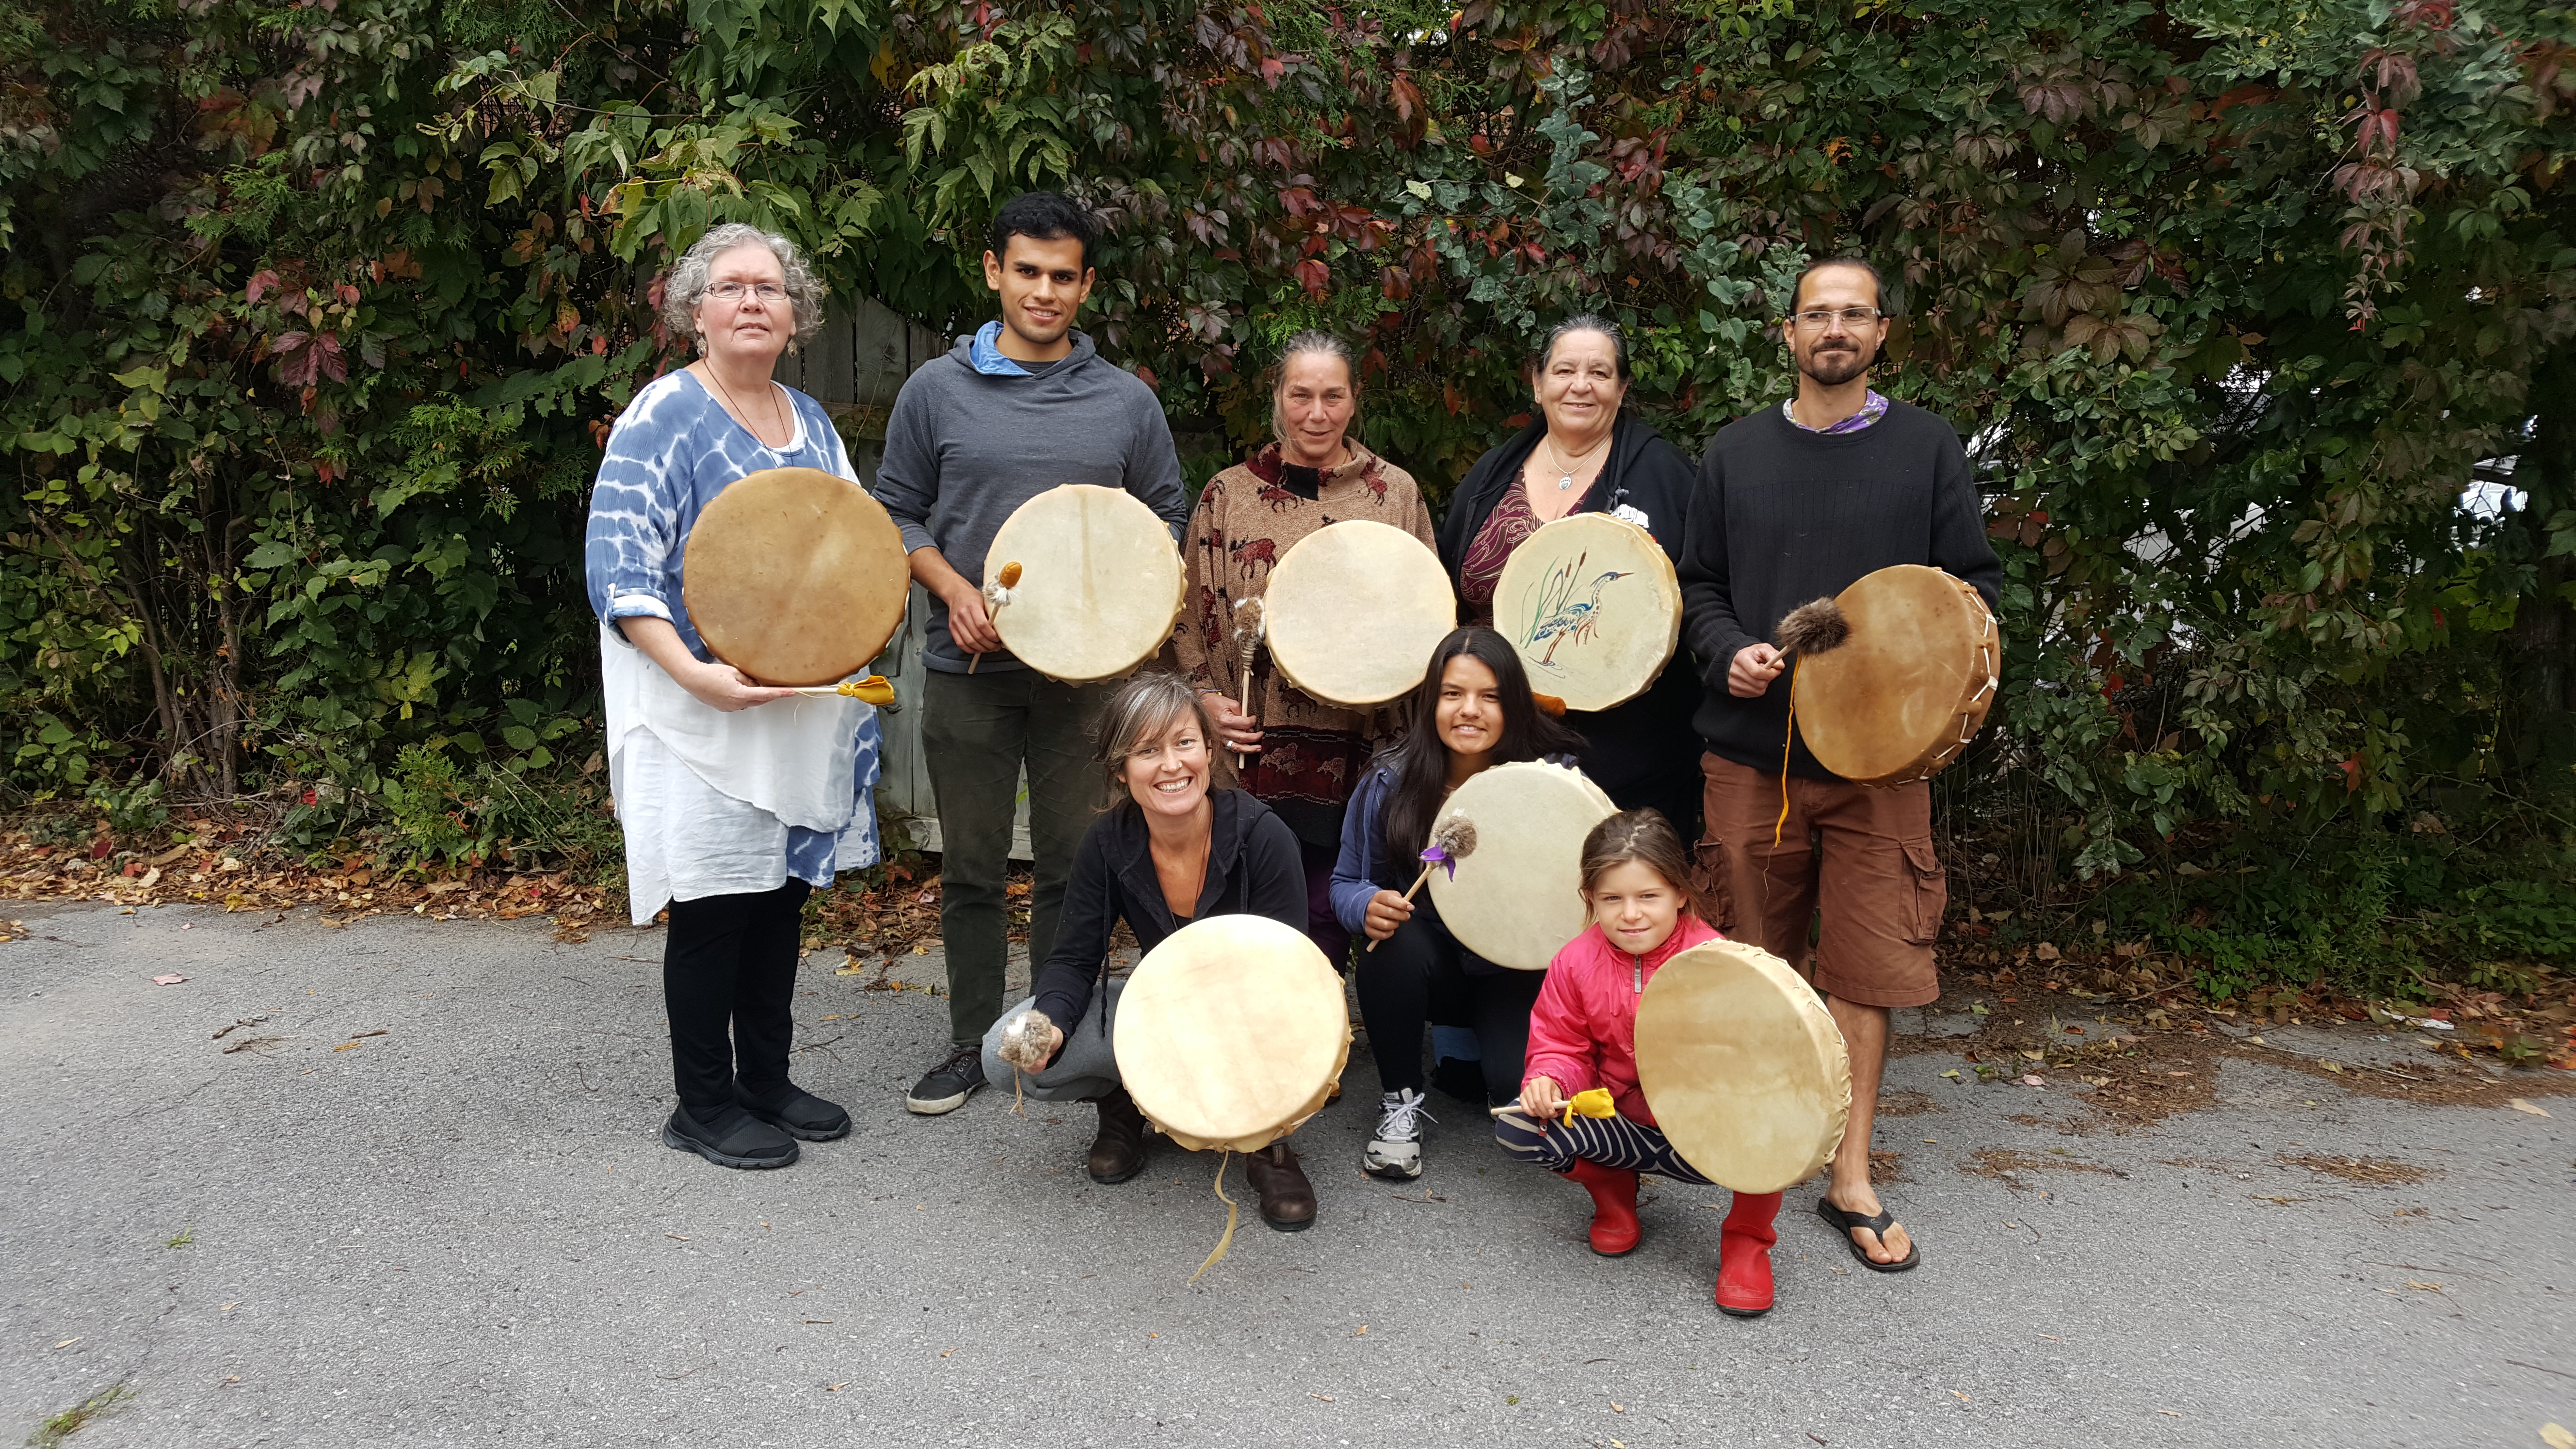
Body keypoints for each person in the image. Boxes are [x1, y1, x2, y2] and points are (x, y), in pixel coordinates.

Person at [1679, 256, 2002, 1272]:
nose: (1833, 329)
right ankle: (1755, 1154)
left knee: (1861, 974)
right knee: (1751, 965)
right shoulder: (1734, 454)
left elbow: (1972, 593)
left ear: (1880, 334)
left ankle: (1849, 1173)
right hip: (1751, 758)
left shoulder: (1925, 450)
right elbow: (1697, 587)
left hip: (1880, 766)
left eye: (1852, 315)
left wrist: (1918, 681)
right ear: (1786, 332)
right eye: (1815, 314)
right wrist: (1725, 652)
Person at [874, 192, 1190, 1116]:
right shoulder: (935, 391)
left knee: (1070, 866)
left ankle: (1045, 1036)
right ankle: (971, 1039)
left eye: (1062, 276)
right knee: (970, 864)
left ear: (1085, 285)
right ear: (993, 272)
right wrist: (952, 588)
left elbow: (1163, 515)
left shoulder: (1126, 402)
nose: (1043, 292)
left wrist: (1116, 616)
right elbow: (896, 509)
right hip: (967, 668)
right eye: (1027, 272)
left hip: (1086, 683)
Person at [585, 223, 884, 1170]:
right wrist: (693, 675)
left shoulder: (812, 424)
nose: (751, 300)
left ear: (795, 316)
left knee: (779, 901)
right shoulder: (662, 416)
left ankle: (765, 1080)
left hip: (797, 711)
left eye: (770, 287)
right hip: (698, 710)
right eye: (730, 287)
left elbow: (853, 560)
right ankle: (702, 1106)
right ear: (694, 312)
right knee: (716, 907)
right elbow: (619, 566)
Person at [977, 674, 1320, 1230]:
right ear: (1120, 769)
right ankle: (1122, 1103)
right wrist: (1054, 1025)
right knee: (1004, 1055)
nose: (1171, 765)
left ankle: (1269, 1144)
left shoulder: (1262, 835)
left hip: (1253, 1013)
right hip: (1166, 1005)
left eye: (1184, 743)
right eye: (1147, 750)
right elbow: (1072, 959)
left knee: (1281, 1025)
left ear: (1209, 750)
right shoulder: (1107, 842)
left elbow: (1290, 973)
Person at [1172, 331, 1437, 971]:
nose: (1316, 413)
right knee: (1244, 899)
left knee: (1327, 904)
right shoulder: (1228, 496)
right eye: (1301, 395)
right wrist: (1206, 699)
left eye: (1332, 396)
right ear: (1277, 397)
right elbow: (1192, 612)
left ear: (1354, 400)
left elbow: (1426, 615)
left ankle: (1316, 1035)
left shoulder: (1395, 494)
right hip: (1252, 744)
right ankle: (1248, 1035)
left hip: (1357, 743)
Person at [1494, 809, 1786, 1316]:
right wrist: (1546, 1078)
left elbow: (1760, 1067)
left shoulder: (1718, 963)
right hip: (1622, 1123)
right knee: (1520, 1126)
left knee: (1778, 1128)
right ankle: (1612, 1193)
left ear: (1679, 892)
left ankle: (1745, 1242)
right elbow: (1562, 1043)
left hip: (1705, 1138)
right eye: (1612, 899)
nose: (1630, 914)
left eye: (1647, 896)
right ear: (1590, 899)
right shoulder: (1574, 961)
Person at [1330, 626, 1587, 1179]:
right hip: (1431, 966)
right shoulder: (1389, 780)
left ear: (1513, 704)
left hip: (1517, 973)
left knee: (1513, 1094)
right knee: (1389, 942)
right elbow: (1346, 882)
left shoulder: (1554, 783)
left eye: (1489, 696)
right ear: (1430, 702)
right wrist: (1367, 904)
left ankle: (1477, 1045)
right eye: (1452, 694)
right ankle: (1399, 1102)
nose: (1468, 710)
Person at [1436, 315, 1705, 841]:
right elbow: (1448, 590)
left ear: (1622, 388)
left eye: (1599, 373)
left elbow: (1700, 590)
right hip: (1495, 735)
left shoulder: (1665, 475)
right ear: (1537, 384)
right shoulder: (1491, 475)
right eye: (1564, 370)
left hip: (1627, 750)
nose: (1580, 385)